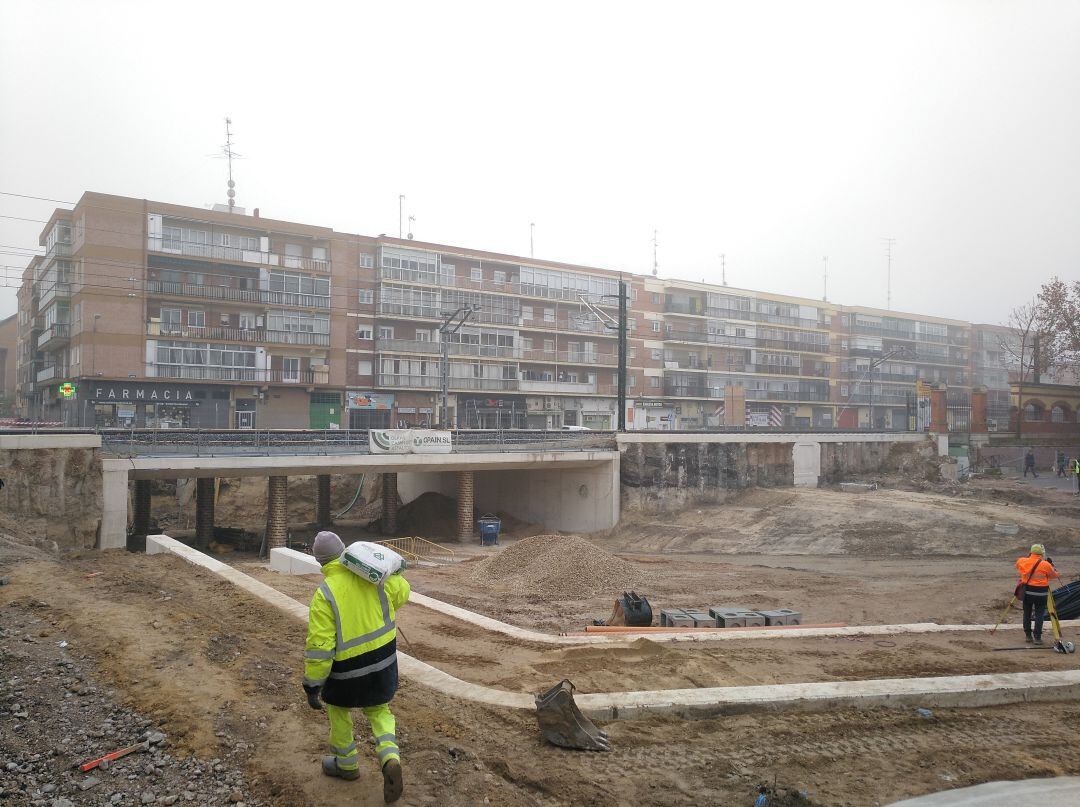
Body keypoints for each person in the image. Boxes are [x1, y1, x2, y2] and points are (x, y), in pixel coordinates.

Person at [303, 531, 410, 803]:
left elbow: (320, 646)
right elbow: (402, 592)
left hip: (346, 672)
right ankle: (389, 758)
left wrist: (313, 685)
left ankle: (347, 765)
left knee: (338, 711)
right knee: (379, 710)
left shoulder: (325, 593)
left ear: (321, 562)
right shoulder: (371, 575)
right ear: (343, 552)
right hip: (383, 664)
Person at [1015, 544, 1059, 645]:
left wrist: (1028, 558)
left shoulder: (1022, 561)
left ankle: (1028, 636)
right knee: (1039, 615)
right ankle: (1038, 638)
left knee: (1027, 613)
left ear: (1031, 552)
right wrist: (1052, 566)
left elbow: (1018, 565)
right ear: (1042, 553)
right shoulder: (1045, 564)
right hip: (1041, 593)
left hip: (1027, 592)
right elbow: (1054, 575)